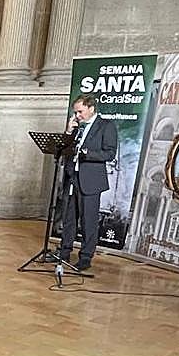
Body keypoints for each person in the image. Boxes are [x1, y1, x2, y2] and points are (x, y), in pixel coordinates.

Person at [57, 95, 117, 272]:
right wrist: (69, 132)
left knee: (88, 221)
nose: (77, 115)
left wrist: (87, 153)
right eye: (75, 112)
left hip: (90, 181)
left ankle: (85, 257)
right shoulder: (77, 126)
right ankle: (64, 252)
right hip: (72, 178)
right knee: (68, 218)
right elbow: (63, 149)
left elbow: (110, 153)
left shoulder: (106, 126)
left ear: (91, 108)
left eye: (80, 111)